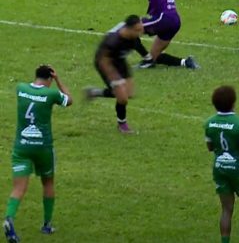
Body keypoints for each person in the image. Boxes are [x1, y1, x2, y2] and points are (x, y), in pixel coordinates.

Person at [4, 65, 72, 243]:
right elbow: (69, 100)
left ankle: (9, 218)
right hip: (43, 148)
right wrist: (58, 80)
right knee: (48, 182)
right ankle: (47, 224)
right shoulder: (51, 94)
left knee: (18, 188)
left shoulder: (20, 88)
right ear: (49, 78)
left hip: (21, 147)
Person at [204, 86, 239, 243]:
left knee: (226, 209)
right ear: (234, 102)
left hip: (220, 168)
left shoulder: (209, 123)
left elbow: (210, 147)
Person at [84, 15, 144, 133]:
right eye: (137, 30)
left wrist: (148, 57)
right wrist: (115, 79)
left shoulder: (134, 37)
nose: (141, 32)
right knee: (123, 98)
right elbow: (103, 60)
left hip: (120, 61)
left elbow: (139, 47)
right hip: (106, 63)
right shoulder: (113, 41)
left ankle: (94, 92)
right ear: (129, 29)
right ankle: (122, 125)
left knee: (129, 94)